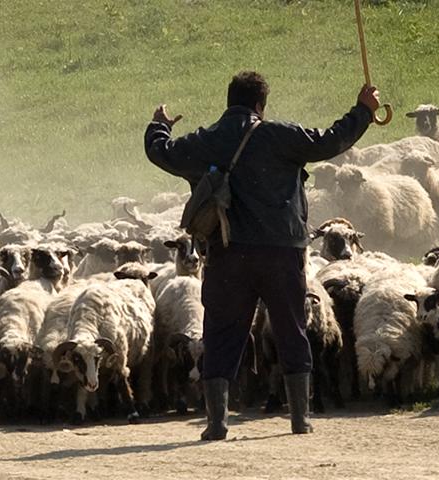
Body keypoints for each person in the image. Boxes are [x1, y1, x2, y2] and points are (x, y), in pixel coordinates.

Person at [144, 71, 379, 440]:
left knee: (221, 332)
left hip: (226, 253)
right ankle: (299, 419)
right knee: (291, 328)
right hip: (281, 253)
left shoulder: (208, 139)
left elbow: (163, 153)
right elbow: (331, 141)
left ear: (229, 101)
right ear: (260, 105)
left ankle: (216, 422)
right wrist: (363, 111)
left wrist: (158, 126)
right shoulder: (279, 135)